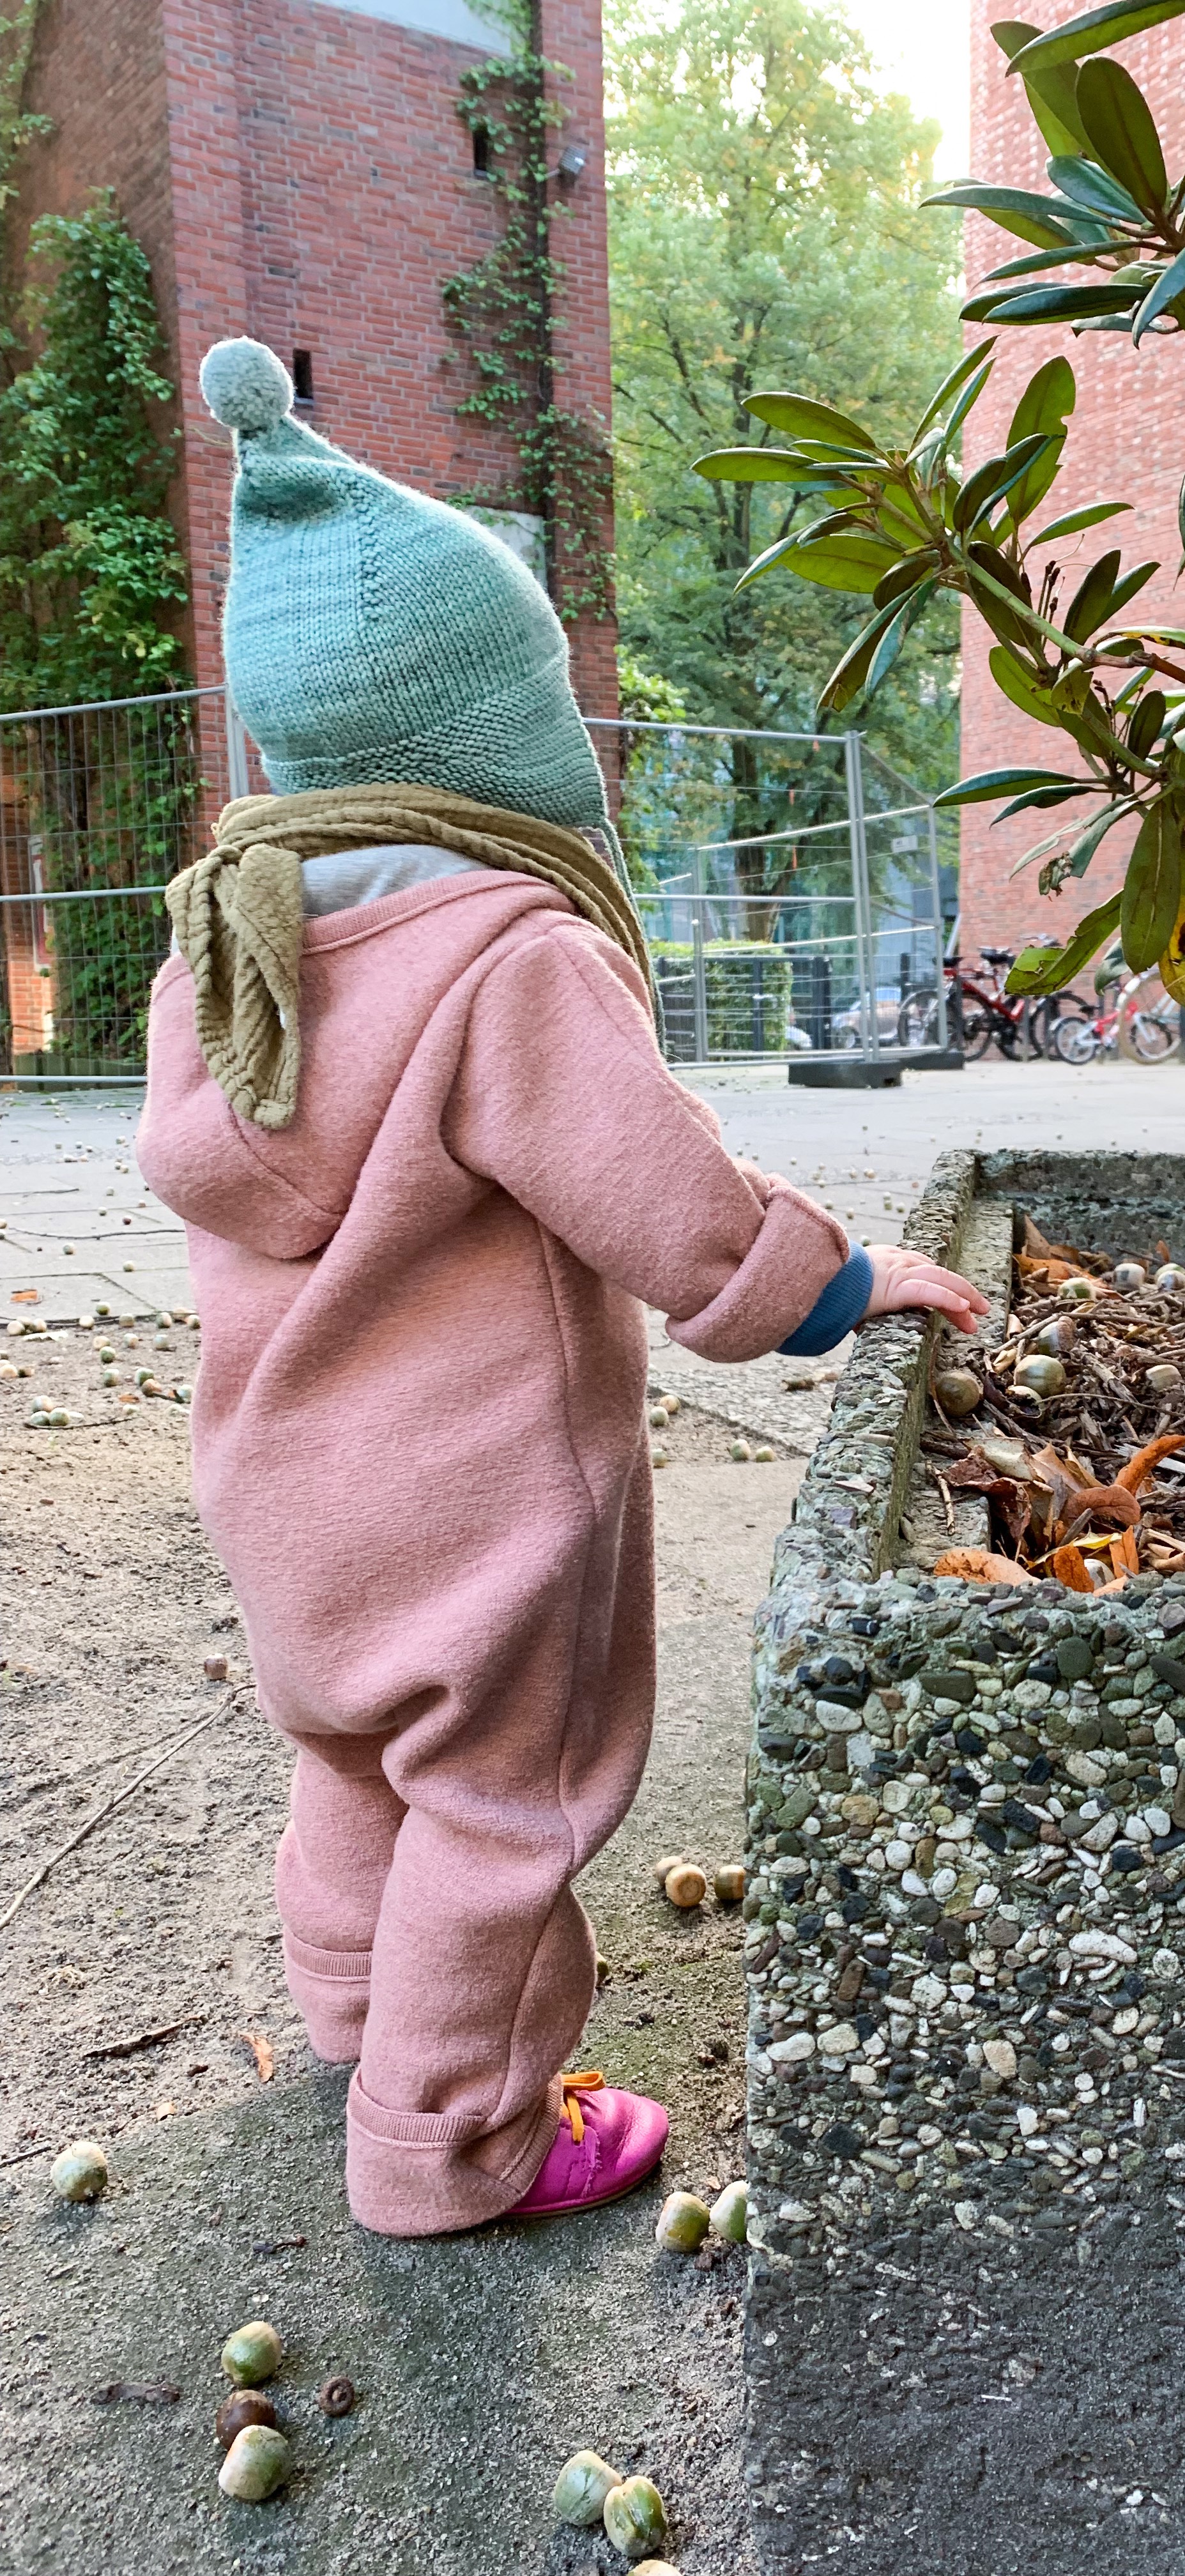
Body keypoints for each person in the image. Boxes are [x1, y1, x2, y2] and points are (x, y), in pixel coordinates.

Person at [137, 341, 986, 2238]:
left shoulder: (228, 949)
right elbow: (662, 1202)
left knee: (354, 1762)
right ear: (490, 729)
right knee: (500, 1812)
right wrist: (834, 1280)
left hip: (286, 1495)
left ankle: (361, 2033)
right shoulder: (507, 952)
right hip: (475, 1515)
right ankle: (456, 2146)